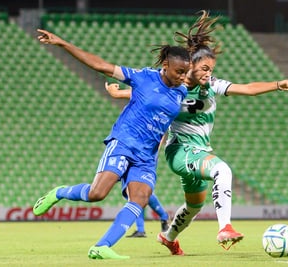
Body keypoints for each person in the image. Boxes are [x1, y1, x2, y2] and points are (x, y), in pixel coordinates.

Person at [105, 10, 288, 255]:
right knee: (222, 169)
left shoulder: (212, 85)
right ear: (191, 66)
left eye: (211, 68)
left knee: (194, 205)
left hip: (199, 150)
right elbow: (147, 95)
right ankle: (225, 227)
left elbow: (247, 88)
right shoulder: (175, 88)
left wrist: (278, 84)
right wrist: (119, 93)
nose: (208, 72)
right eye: (204, 68)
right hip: (180, 150)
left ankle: (168, 237)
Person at [32, 29, 191, 260]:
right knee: (97, 193)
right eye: (179, 71)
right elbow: (101, 66)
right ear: (165, 65)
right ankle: (60, 192)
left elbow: (157, 105)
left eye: (185, 72)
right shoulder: (142, 77)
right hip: (124, 143)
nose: (182, 76)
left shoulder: (181, 90)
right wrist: (62, 43)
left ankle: (101, 247)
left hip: (147, 157)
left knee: (141, 198)